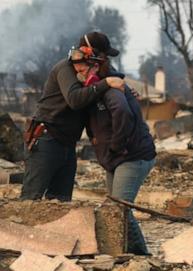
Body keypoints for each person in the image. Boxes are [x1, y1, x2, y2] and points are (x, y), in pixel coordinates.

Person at [20, 32, 125, 201]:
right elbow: (75, 99)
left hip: (67, 143)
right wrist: (106, 83)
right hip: (47, 138)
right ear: (93, 53)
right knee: (31, 199)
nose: (106, 60)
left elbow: (115, 76)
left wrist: (120, 84)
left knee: (61, 201)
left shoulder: (95, 69)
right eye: (104, 56)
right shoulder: (66, 69)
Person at [77, 36, 156, 255]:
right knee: (113, 208)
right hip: (118, 158)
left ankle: (141, 255)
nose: (79, 71)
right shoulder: (99, 86)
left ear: (95, 62)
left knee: (120, 210)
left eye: (83, 67)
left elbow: (122, 113)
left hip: (131, 156)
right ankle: (124, 253)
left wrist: (115, 147)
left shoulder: (112, 88)